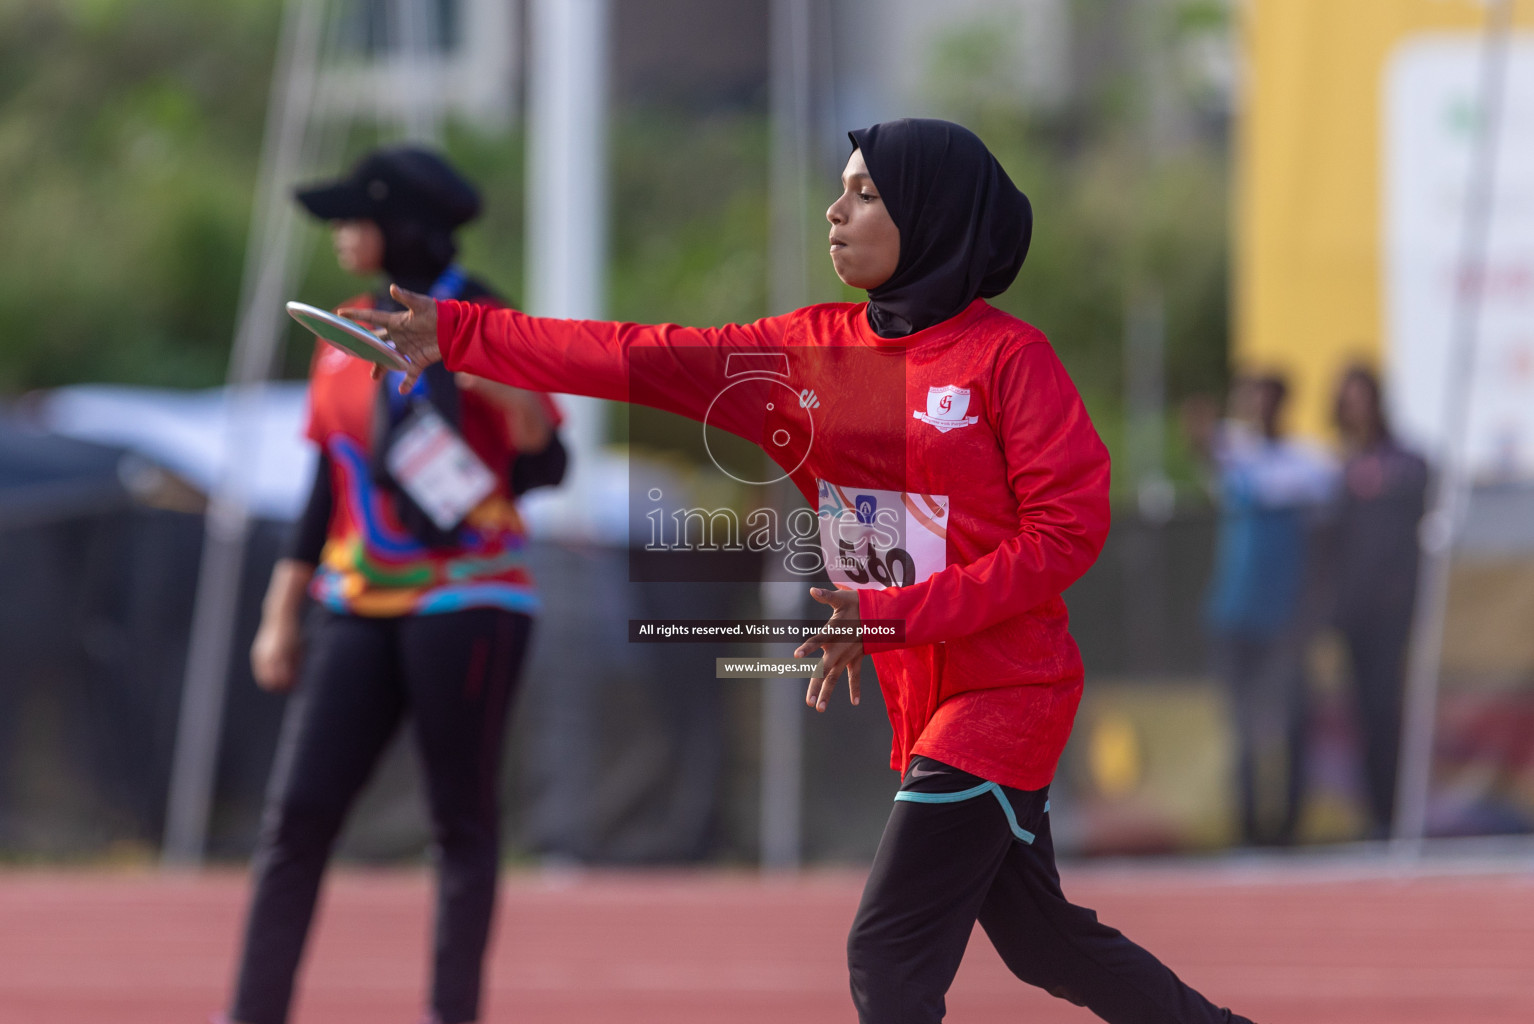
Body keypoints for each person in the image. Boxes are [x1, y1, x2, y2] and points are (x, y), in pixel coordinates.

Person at [350, 118, 1256, 1024]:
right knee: (1043, 940)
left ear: (933, 217)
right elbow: (630, 355)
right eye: (842, 188)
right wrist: (459, 332)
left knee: (888, 951)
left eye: (866, 194)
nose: (835, 210)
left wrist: (893, 611)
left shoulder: (1008, 362)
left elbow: (1066, 534)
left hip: (1007, 691)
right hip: (923, 699)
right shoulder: (801, 353)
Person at [225, 146, 566, 1024]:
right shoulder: (343, 326)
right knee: (296, 817)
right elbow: (323, 480)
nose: (339, 232)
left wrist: (482, 375)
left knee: (460, 825)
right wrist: (281, 610)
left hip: (469, 597)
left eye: (353, 216)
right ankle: (251, 1012)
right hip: (354, 603)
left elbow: (546, 461)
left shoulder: (491, 315)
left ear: (403, 223)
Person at [1186, 374, 1337, 847]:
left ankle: (1288, 826)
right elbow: (1206, 451)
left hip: (1287, 615)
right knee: (1241, 724)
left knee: (1291, 720)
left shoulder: (1310, 464)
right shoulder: (1234, 452)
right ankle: (1248, 826)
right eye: (1254, 400)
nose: (1262, 409)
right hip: (1236, 611)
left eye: (1270, 399)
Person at [1330, 364, 1427, 837]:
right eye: (1348, 399)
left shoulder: (1407, 462)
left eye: (1362, 397)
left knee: (1392, 708)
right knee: (1365, 711)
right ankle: (1376, 814)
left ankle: (1399, 812)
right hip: (1354, 612)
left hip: (1396, 610)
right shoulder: (1338, 468)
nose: (1356, 408)